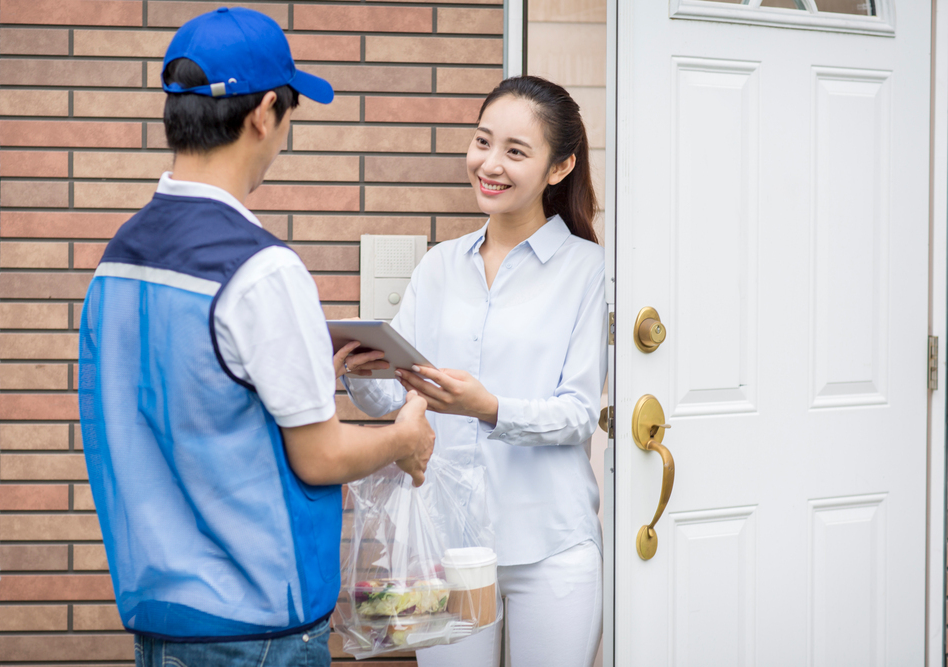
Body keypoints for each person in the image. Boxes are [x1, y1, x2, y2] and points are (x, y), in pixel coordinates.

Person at [77, 8, 435, 667]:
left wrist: (300, 360)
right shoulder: (263, 270)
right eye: (291, 116)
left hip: (162, 623)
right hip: (258, 631)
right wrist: (404, 437)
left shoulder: (119, 258)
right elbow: (319, 456)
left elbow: (182, 391)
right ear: (265, 113)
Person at [339, 76, 606, 667]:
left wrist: (489, 408)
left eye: (515, 151)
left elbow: (580, 412)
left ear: (559, 168)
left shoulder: (588, 269)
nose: (490, 164)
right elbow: (400, 400)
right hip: (449, 546)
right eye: (483, 142)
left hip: (551, 545)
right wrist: (362, 372)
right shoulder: (438, 267)